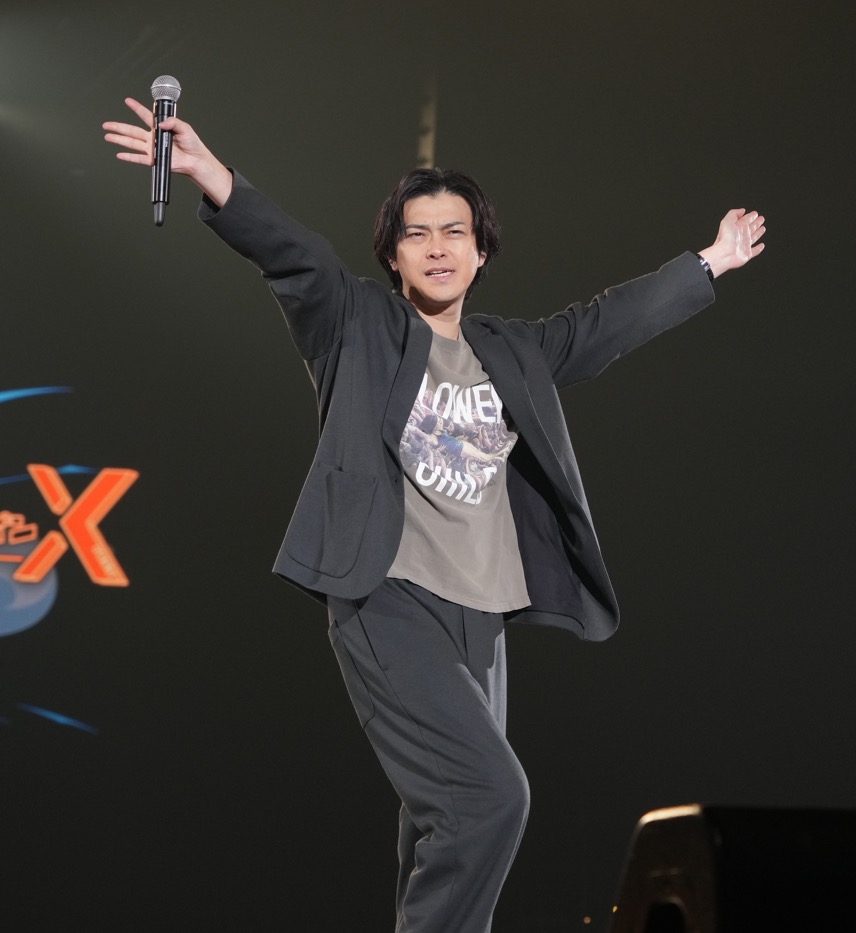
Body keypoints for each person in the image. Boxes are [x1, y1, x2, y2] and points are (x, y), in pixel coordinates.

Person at [102, 95, 765, 932]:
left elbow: (607, 323)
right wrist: (212, 175)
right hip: (387, 599)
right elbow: (299, 257)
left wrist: (711, 260)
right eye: (417, 233)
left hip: (481, 619)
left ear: (481, 252)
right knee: (491, 796)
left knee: (439, 820)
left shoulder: (513, 351)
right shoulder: (358, 326)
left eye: (456, 231)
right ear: (393, 254)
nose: (439, 246)